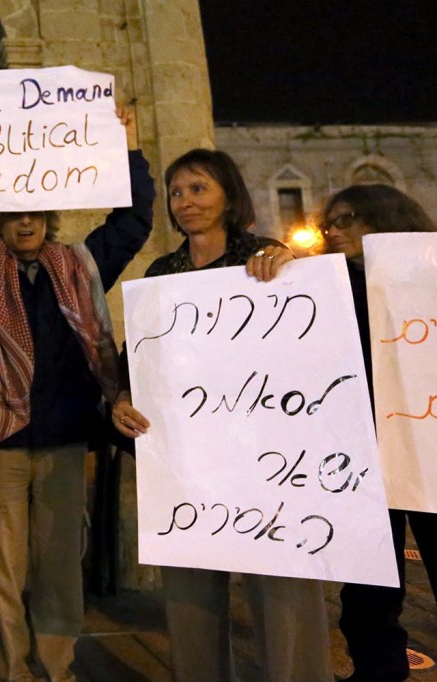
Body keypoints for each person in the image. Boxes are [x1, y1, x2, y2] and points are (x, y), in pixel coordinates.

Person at [0, 103, 154, 682]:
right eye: (13, 213)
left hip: (66, 443)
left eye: (34, 212)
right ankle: (8, 671)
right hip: (0, 444)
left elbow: (133, 220)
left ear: (48, 214)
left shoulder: (80, 265)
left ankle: (57, 668)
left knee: (62, 566)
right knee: (3, 570)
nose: (24, 223)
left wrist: (129, 143)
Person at [111, 148, 331, 682]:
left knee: (283, 586)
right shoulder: (162, 274)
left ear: (229, 195)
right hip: (191, 463)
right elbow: (136, 365)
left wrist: (292, 267)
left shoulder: (270, 261)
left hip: (269, 460)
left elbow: (316, 338)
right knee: (190, 592)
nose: (185, 201)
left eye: (199, 188)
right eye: (177, 192)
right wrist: (120, 400)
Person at [314, 184, 436, 682]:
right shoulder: (326, 288)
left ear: (385, 219)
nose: (335, 231)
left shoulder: (426, 277)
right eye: (330, 224)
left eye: (348, 219)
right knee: (367, 585)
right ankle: (378, 671)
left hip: (425, 447)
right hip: (361, 452)